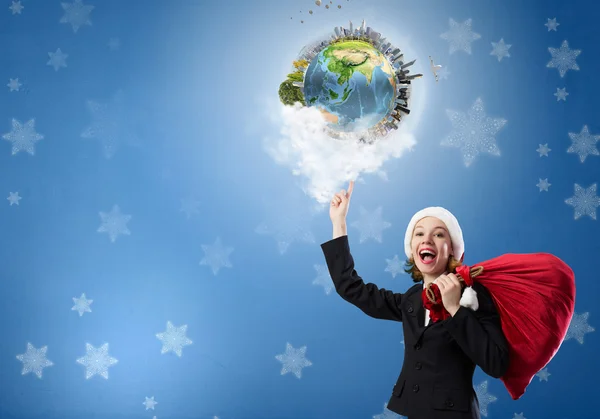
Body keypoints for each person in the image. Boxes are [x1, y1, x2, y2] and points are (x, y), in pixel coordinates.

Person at [320, 180, 510, 419]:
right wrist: (339, 222)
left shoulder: (473, 296)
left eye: (439, 234)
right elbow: (351, 288)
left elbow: (496, 363)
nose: (427, 239)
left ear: (452, 249)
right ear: (412, 248)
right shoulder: (411, 299)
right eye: (419, 233)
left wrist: (454, 308)